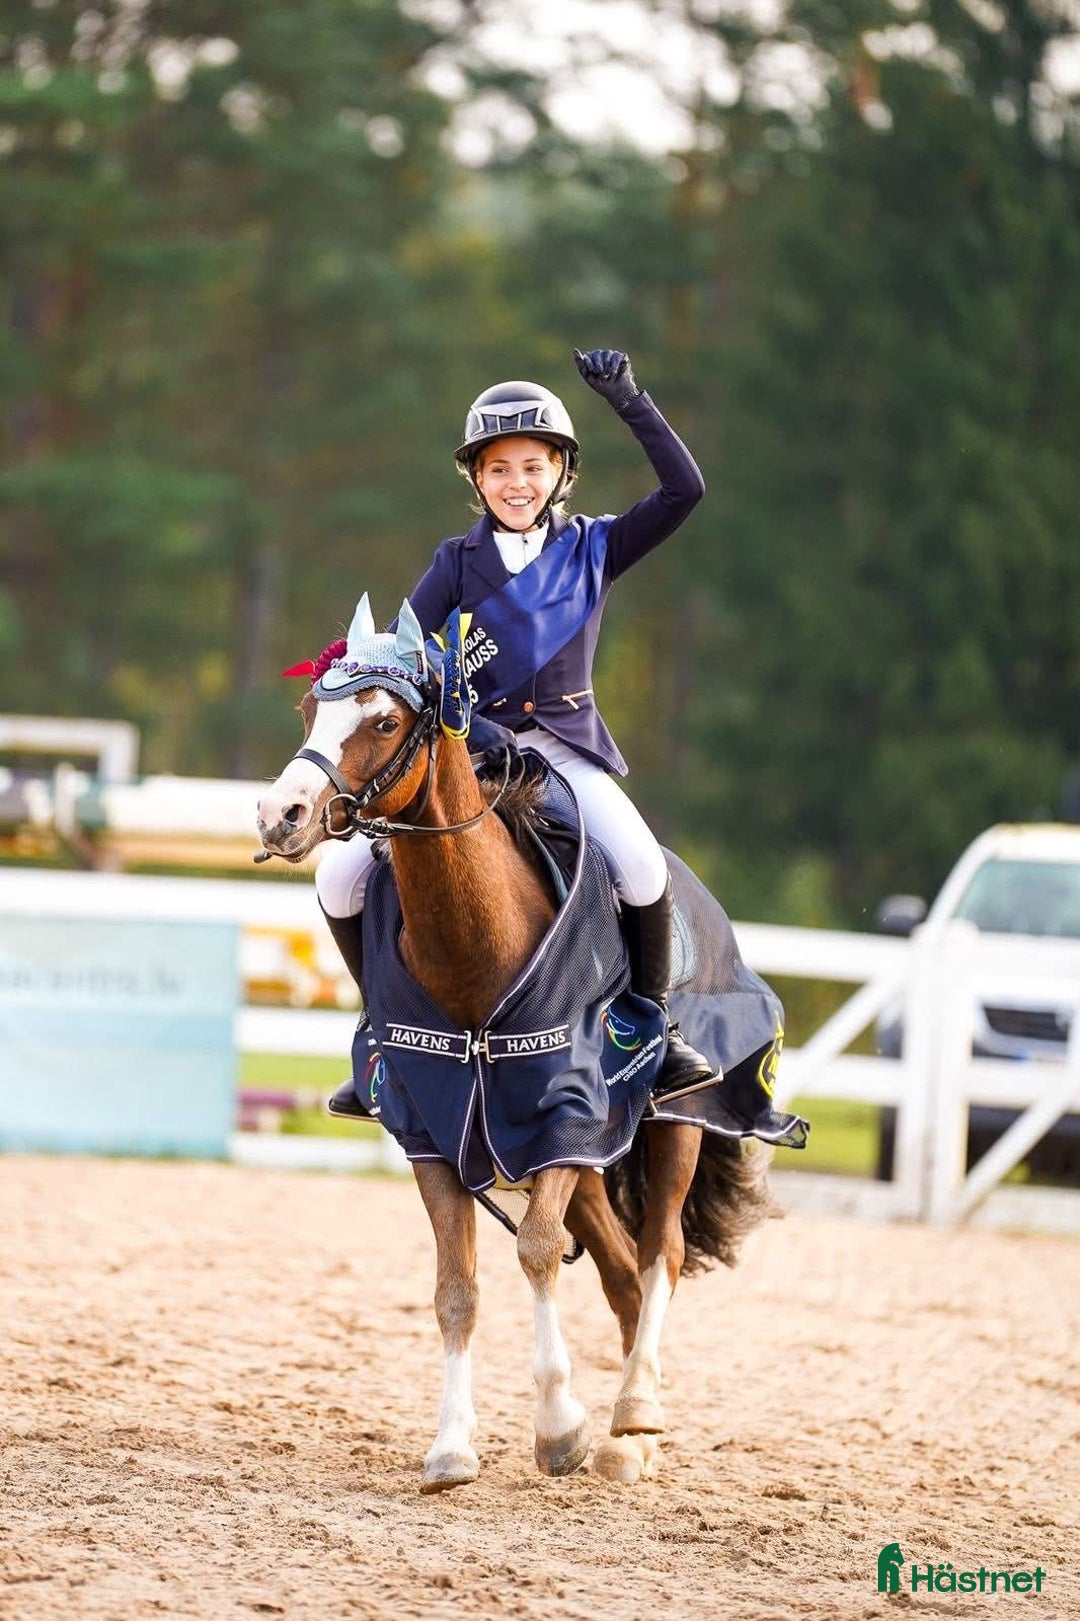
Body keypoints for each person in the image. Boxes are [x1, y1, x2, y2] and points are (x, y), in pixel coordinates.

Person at [317, 347, 715, 1101]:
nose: (516, 483)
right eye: (499, 468)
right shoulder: (455, 561)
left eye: (533, 466)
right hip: (477, 758)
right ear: (477, 479)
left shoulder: (595, 546)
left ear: (561, 472)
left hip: (566, 753)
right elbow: (402, 650)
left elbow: (685, 489)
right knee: (340, 876)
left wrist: (631, 401)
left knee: (640, 865)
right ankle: (380, 1037)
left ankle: (652, 1027)